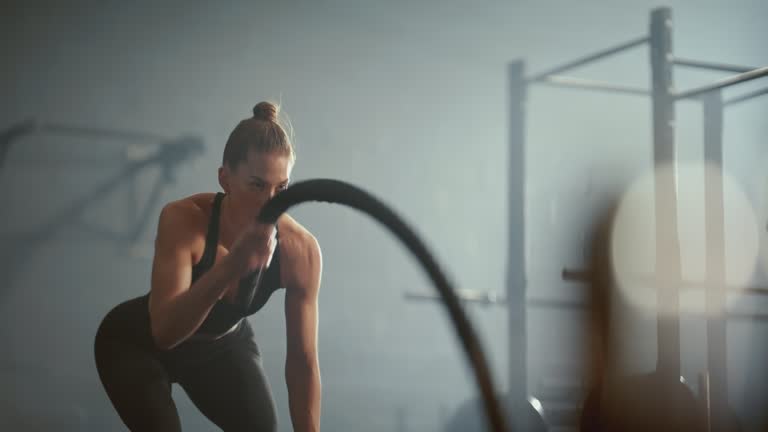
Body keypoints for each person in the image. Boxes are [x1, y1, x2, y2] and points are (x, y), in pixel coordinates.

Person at [94, 102, 322, 432]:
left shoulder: (300, 250)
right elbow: (166, 334)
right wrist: (232, 266)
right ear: (225, 179)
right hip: (138, 345)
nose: (270, 202)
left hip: (222, 347)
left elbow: (303, 363)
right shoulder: (184, 219)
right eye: (257, 185)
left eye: (281, 188)